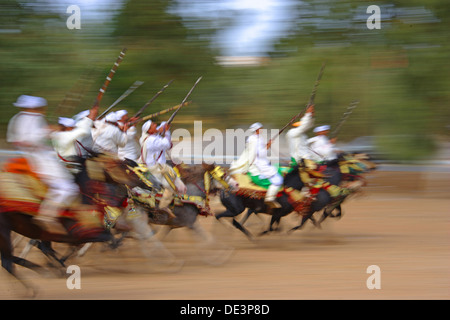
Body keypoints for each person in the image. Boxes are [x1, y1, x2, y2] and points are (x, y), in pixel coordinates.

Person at [6, 95, 80, 233]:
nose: (43, 110)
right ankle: (47, 215)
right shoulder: (32, 118)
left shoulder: (18, 118)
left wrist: (50, 131)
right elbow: (32, 139)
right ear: (35, 108)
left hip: (37, 154)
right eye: (41, 108)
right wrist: (48, 131)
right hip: (38, 158)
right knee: (69, 188)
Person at [229, 122, 283, 208]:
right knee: (278, 179)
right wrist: (268, 145)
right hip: (258, 164)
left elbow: (261, 151)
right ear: (257, 130)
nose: (262, 129)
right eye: (260, 128)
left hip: (261, 162)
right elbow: (259, 153)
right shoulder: (253, 140)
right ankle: (270, 198)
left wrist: (268, 145)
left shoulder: (258, 138)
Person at [139, 120, 184, 216]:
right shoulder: (152, 140)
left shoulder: (148, 137)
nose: (156, 125)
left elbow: (161, 128)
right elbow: (167, 144)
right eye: (153, 125)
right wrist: (167, 131)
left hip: (154, 167)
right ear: (150, 130)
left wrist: (164, 126)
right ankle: (163, 206)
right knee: (171, 186)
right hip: (156, 169)